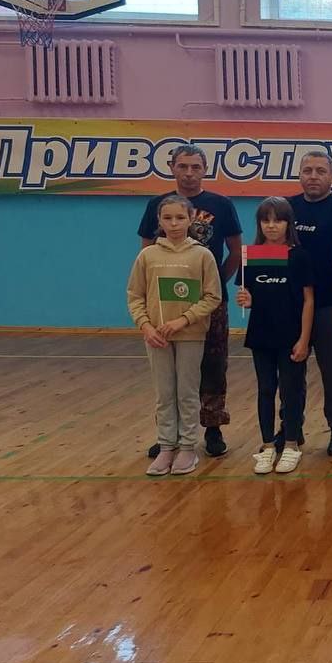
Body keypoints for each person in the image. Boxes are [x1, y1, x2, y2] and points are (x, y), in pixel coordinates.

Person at [137, 144, 241, 458]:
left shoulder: (221, 204)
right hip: (166, 303)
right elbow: (146, 253)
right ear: (172, 168)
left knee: (213, 363)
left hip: (210, 302)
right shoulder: (157, 204)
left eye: (196, 167)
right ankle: (169, 435)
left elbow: (236, 250)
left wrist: (216, 283)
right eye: (183, 166)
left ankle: (213, 427)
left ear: (205, 169)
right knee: (168, 372)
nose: (189, 173)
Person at [127, 195, 223, 476]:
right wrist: (146, 327)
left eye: (180, 218)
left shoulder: (202, 255)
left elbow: (212, 296)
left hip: (190, 335)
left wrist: (183, 320)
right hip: (157, 337)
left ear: (191, 219)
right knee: (165, 393)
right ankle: (167, 446)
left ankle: (188, 447)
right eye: (167, 218)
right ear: (159, 220)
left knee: (187, 393)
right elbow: (135, 296)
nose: (174, 223)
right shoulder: (147, 256)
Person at [235, 197, 313, 475]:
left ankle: (291, 444)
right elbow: (248, 294)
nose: (271, 226)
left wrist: (304, 339)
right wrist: (246, 300)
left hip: (291, 336)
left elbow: (308, 300)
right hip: (261, 335)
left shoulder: (299, 256)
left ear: (288, 223)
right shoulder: (250, 256)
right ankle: (268, 446)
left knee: (291, 391)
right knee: (266, 389)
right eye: (265, 220)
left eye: (278, 220)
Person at [288, 149, 332, 457]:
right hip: (290, 305)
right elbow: (269, 251)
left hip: (329, 304)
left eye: (320, 171)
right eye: (308, 170)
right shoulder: (285, 207)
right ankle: (291, 427)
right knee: (290, 368)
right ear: (299, 175)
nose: (313, 176)